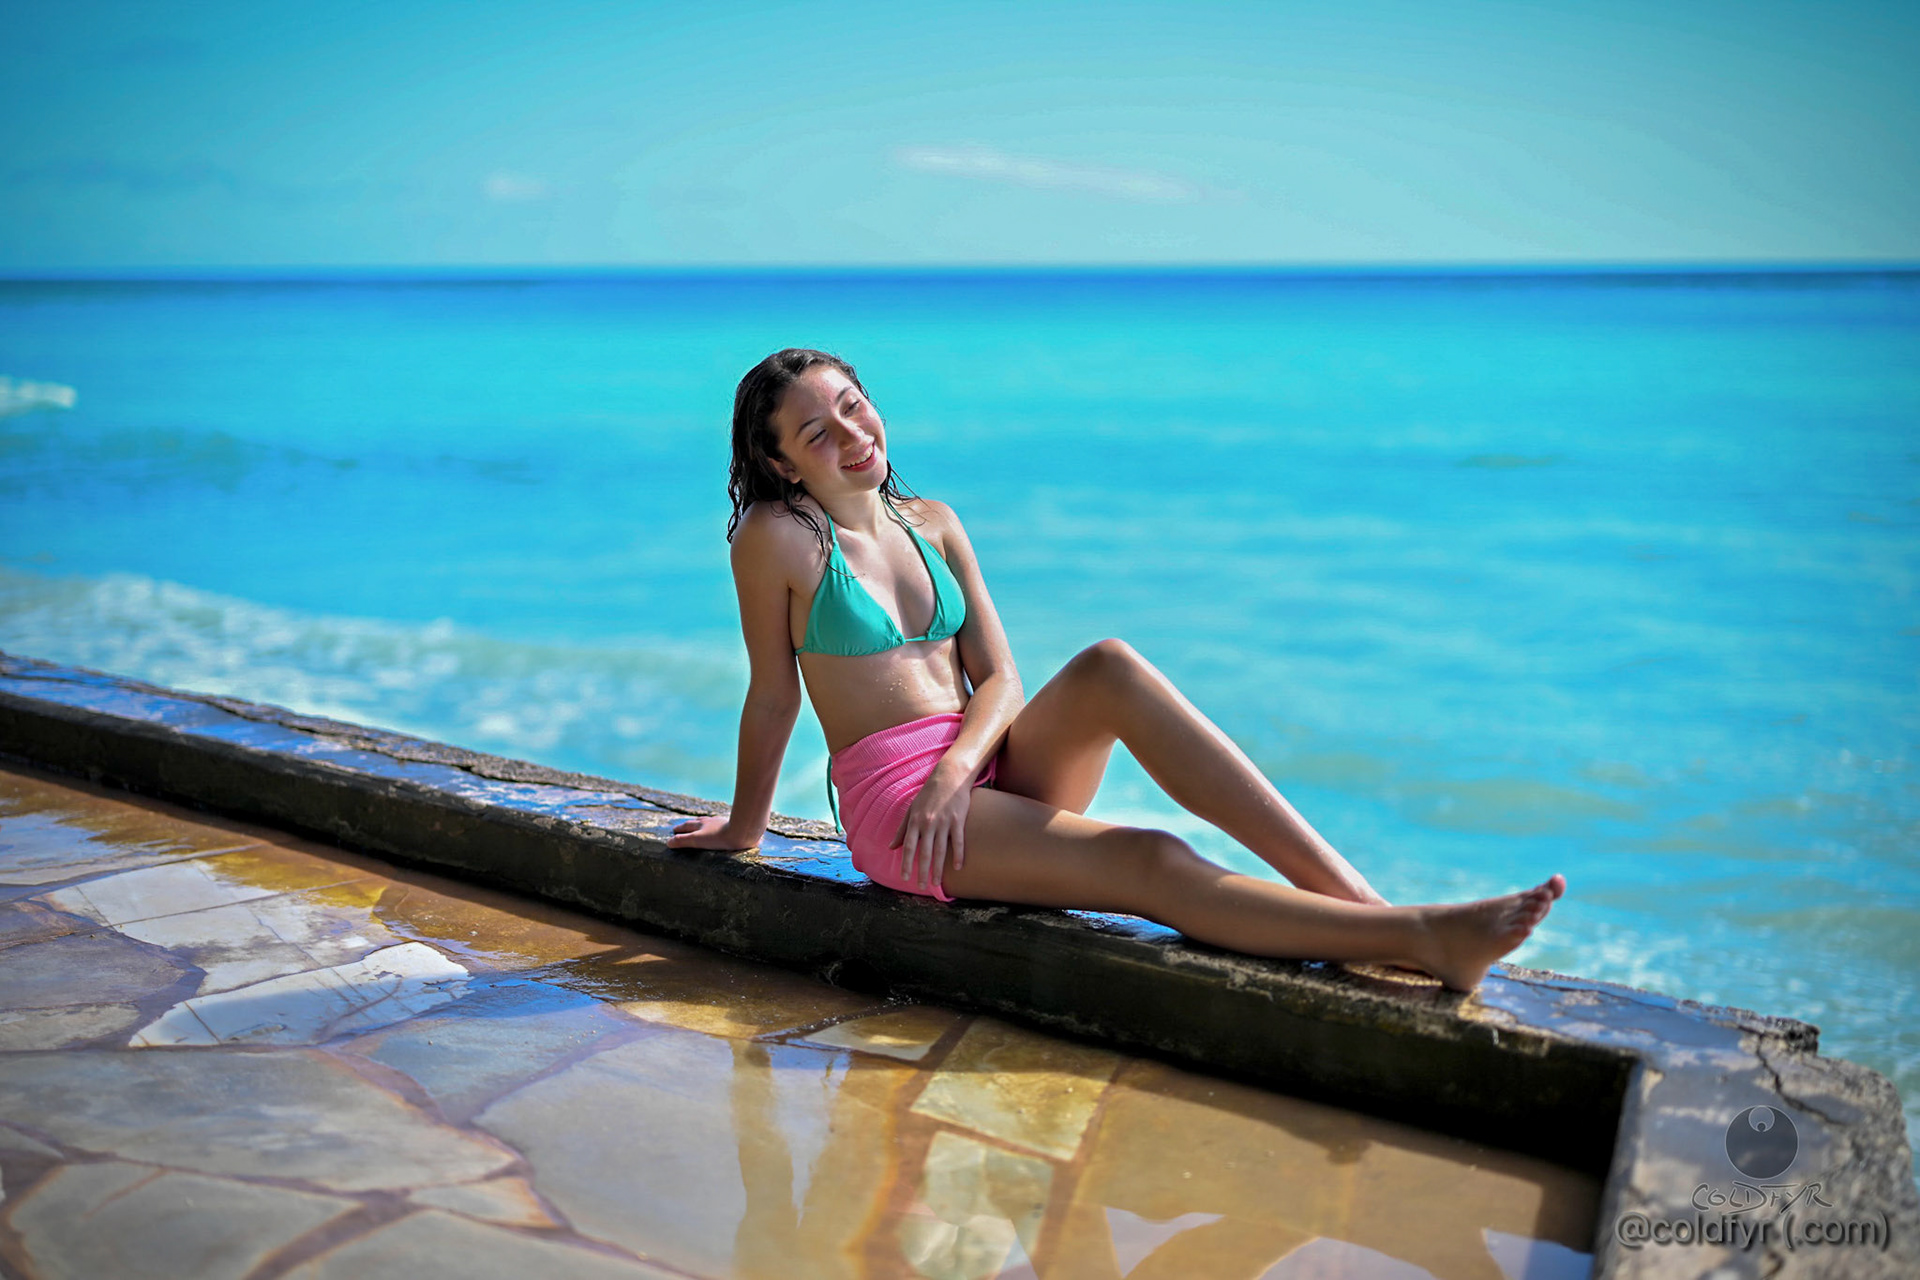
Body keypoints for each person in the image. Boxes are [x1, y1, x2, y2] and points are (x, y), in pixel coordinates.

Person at [669, 348, 1564, 991]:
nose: (852, 435)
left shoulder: (931, 520)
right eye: (817, 433)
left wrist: (957, 767)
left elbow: (1004, 678)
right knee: (1150, 857)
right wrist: (748, 826)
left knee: (1111, 667)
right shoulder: (777, 539)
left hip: (971, 769)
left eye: (854, 406)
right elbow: (774, 692)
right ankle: (1420, 939)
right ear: (780, 461)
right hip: (901, 812)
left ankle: (1359, 906)